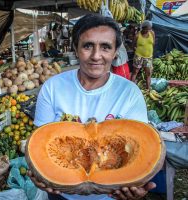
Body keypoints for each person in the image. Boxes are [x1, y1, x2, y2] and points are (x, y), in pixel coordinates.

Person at [29, 14, 156, 200]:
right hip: (61, 195)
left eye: (105, 47)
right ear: (76, 48)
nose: (96, 56)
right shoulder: (52, 87)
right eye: (88, 46)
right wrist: (40, 171)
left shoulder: (130, 92)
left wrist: (136, 185)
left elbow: (139, 150)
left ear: (115, 52)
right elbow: (40, 147)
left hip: (112, 195)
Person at [131, 20, 155, 90]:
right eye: (145, 29)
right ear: (142, 28)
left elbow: (153, 43)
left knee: (148, 74)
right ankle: (131, 88)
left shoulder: (152, 33)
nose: (147, 31)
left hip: (148, 57)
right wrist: (137, 51)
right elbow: (133, 45)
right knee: (135, 72)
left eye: (148, 29)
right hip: (139, 57)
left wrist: (149, 50)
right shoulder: (137, 35)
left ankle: (148, 89)